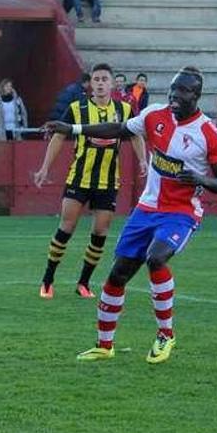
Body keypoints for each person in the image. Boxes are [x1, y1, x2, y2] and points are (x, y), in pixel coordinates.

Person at [46, 68, 217, 364]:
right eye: (172, 89)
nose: (174, 96)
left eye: (182, 91)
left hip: (181, 212)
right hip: (147, 209)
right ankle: (104, 345)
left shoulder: (209, 133)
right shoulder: (153, 115)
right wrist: (73, 130)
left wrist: (200, 179)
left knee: (156, 257)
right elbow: (119, 129)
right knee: (117, 275)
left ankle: (165, 335)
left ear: (196, 95)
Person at [34, 64, 146, 299]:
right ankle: (47, 280)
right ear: (90, 84)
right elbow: (59, 136)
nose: (100, 83)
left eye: (105, 79)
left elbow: (135, 134)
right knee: (67, 227)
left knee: (100, 232)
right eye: (96, 79)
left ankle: (83, 283)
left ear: (113, 83)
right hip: (80, 177)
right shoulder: (77, 108)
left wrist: (143, 160)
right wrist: (45, 168)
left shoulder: (124, 109)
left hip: (107, 182)